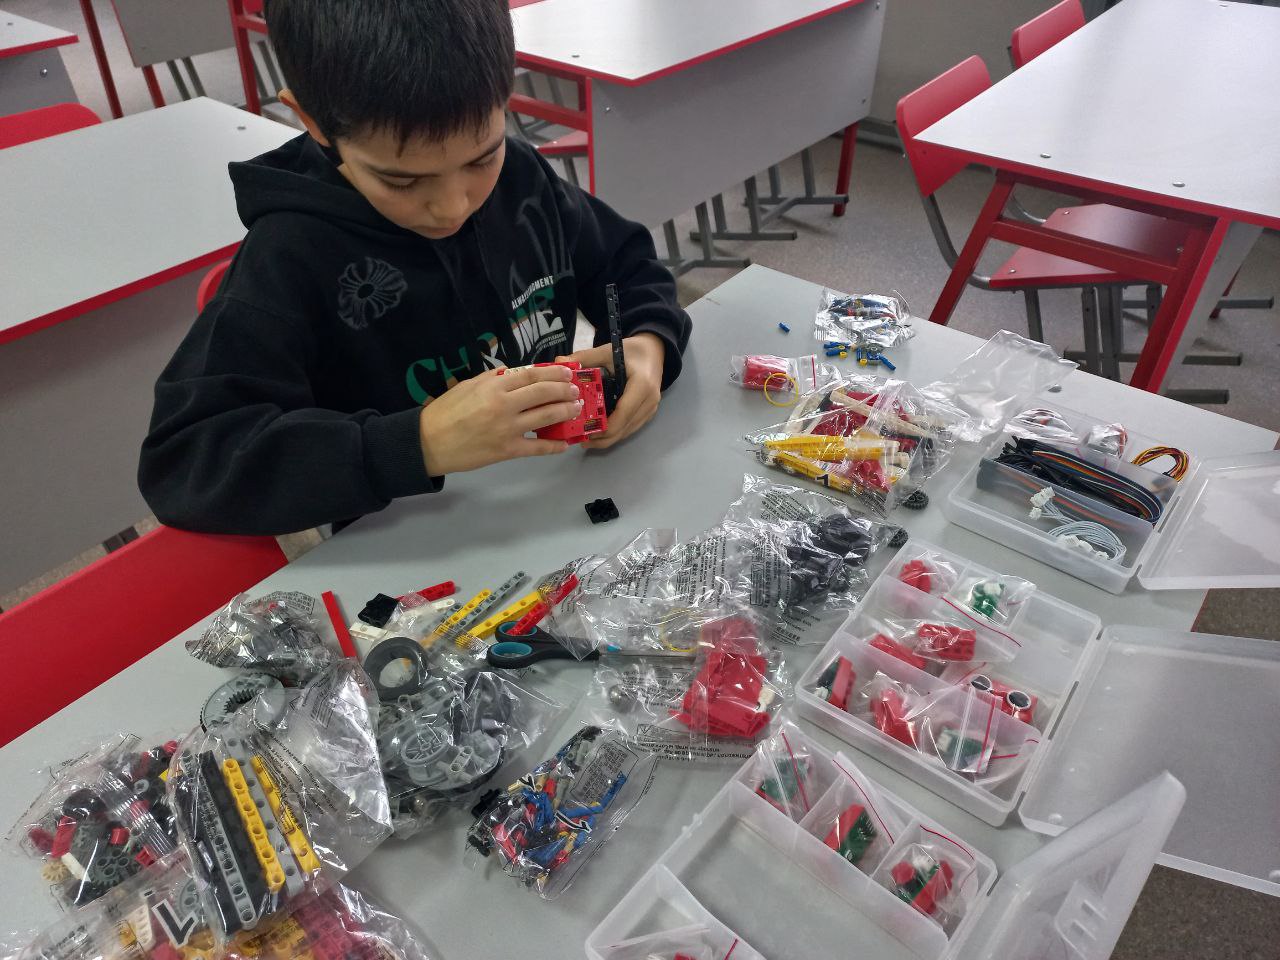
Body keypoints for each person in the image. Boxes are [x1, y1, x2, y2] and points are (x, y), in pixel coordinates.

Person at [138, 0, 691, 536]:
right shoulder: (290, 254)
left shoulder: (522, 179)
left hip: (558, 505)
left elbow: (626, 262)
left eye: (482, 157)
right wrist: (417, 443)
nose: (453, 207)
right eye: (401, 181)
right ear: (313, 122)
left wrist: (647, 343)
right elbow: (185, 460)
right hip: (411, 542)